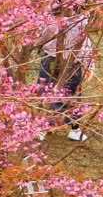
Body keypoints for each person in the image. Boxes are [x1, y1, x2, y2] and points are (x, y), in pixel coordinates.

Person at [38, 12, 95, 142]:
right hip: (53, 57)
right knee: (48, 92)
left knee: (71, 94)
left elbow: (85, 42)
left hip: (71, 60)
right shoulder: (52, 16)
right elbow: (43, 34)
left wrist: (89, 64)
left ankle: (73, 128)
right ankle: (45, 125)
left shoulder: (82, 18)